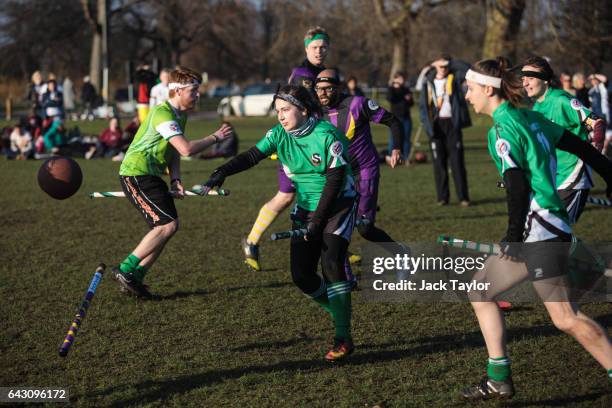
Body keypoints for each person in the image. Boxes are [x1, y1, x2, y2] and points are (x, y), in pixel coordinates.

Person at [461, 57, 612, 400]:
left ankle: (499, 377)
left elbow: (515, 184)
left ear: (488, 89)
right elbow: (580, 146)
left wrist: (513, 237)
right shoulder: (529, 116)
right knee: (489, 293)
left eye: (470, 89)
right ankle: (498, 377)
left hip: (539, 230)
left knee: (561, 316)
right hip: (548, 225)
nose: (468, 96)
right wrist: (609, 173)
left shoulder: (502, 127)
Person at [201, 84, 358, 361]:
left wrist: (318, 222)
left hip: (338, 206)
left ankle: (342, 336)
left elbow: (334, 182)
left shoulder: (327, 135)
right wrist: (222, 170)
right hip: (306, 207)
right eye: (277, 111)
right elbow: (252, 156)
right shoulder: (278, 134)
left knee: (332, 262)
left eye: (286, 110)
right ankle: (339, 311)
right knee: (302, 276)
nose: (281, 117)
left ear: (304, 109)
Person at [112, 67, 233, 299]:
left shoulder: (180, 115)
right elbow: (186, 148)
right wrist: (215, 138)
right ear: (177, 91)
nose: (198, 95)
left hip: (152, 175)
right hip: (135, 174)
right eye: (193, 91)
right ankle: (126, 269)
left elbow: (174, 151)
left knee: (167, 228)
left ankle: (135, 277)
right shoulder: (162, 113)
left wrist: (176, 178)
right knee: (166, 226)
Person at [242, 27, 330, 271]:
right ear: (306, 48)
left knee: (319, 192)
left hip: (313, 142)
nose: (319, 51)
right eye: (315, 47)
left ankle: (334, 245)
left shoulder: (322, 73)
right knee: (287, 196)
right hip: (297, 144)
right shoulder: (304, 74)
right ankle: (251, 241)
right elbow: (300, 110)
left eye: (323, 47)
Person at [521, 56, 606, 224]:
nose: (525, 83)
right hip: (553, 178)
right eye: (523, 79)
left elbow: (597, 122)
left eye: (530, 78)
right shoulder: (537, 108)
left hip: (574, 175)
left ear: (545, 80)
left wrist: (596, 152)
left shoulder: (561, 100)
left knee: (555, 231)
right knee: (552, 234)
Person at [419, 54, 472, 206]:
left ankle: (463, 197)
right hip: (436, 126)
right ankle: (443, 198)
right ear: (435, 66)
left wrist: (451, 61)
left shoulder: (454, 79)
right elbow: (423, 106)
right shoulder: (428, 82)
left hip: (452, 124)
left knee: (457, 162)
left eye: (446, 66)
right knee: (439, 163)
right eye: (440, 66)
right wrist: (426, 124)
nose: (444, 68)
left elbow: (468, 69)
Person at [386, 71, 413, 162]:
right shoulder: (392, 89)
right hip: (395, 118)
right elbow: (390, 98)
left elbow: (411, 103)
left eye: (402, 79)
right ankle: (391, 157)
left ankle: (405, 157)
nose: (402, 80)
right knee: (393, 138)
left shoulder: (406, 89)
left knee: (406, 138)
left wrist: (409, 99)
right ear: (395, 79)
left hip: (406, 117)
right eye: (399, 78)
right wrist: (392, 86)